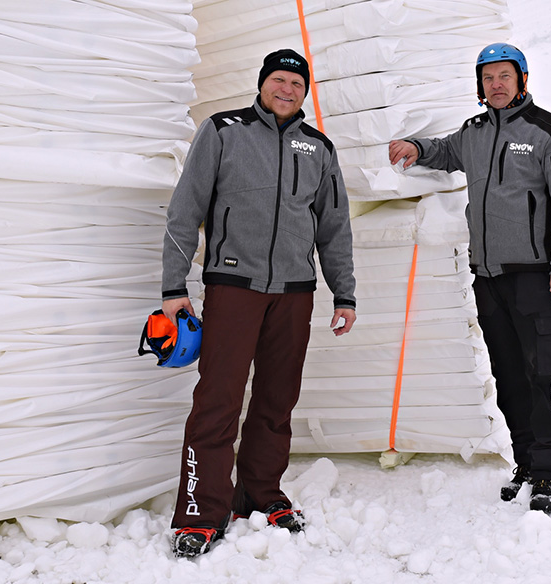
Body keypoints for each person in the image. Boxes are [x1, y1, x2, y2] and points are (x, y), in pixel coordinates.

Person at [161, 48, 357, 556]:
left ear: (305, 92)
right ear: (262, 82)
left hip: (294, 292)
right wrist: (174, 287)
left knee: (276, 401)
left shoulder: (319, 148)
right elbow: (185, 210)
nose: (287, 89)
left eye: (296, 83)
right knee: (218, 401)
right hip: (233, 287)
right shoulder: (223, 130)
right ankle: (202, 511)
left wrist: (344, 292)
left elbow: (334, 228)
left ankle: (261, 493)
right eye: (278, 80)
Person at [388, 43, 551, 514]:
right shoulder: (474, 132)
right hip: (488, 275)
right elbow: (447, 153)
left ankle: (548, 472)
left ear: (521, 79)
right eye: (488, 77)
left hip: (536, 276)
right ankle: (525, 461)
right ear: (479, 85)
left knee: (543, 373)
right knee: (508, 374)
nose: (496, 84)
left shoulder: (550, 132)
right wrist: (417, 149)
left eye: (504, 75)